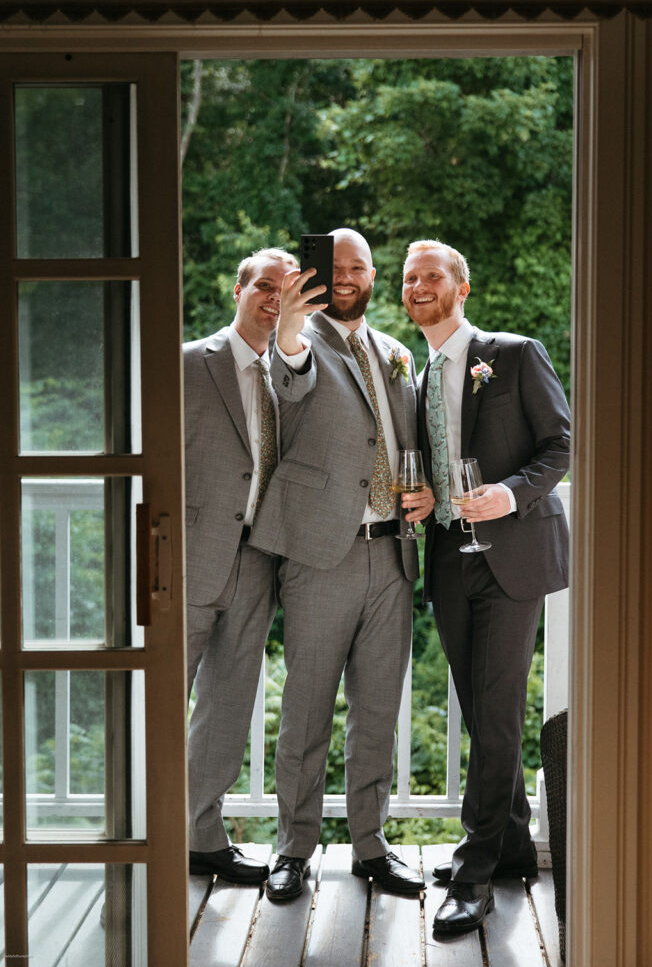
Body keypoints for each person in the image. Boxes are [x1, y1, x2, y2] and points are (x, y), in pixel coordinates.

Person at [250, 228, 434, 901]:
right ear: (318, 274)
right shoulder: (297, 341)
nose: (349, 276)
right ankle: (292, 850)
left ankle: (370, 846)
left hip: (391, 553)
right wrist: (292, 323)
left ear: (374, 275)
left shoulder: (393, 352)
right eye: (337, 267)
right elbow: (290, 379)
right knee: (306, 709)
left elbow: (407, 439)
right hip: (320, 558)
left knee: (376, 711)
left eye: (359, 266)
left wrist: (427, 491)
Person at [401, 239, 570, 933]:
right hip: (448, 555)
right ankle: (509, 847)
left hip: (512, 553)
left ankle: (472, 876)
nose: (419, 286)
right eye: (409, 278)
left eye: (432, 276)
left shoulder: (512, 352)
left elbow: (559, 443)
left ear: (461, 288)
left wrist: (508, 494)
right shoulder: (413, 376)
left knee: (496, 711)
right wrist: (419, 499)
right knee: (478, 709)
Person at [184, 246, 298, 885]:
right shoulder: (184, 363)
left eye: (285, 289)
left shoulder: (298, 373)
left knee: (228, 703)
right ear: (238, 290)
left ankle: (202, 835)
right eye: (262, 285)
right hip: (185, 558)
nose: (272, 297)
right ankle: (139, 828)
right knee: (158, 700)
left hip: (258, 559)